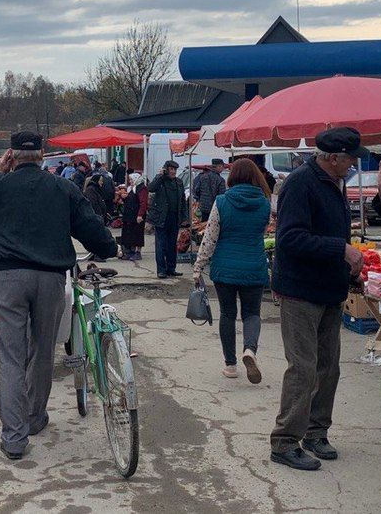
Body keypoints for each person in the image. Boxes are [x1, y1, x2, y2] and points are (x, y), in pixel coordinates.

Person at [0, 131, 117, 460]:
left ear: (12, 156)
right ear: (43, 155)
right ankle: (34, 418)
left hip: (8, 279)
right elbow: (91, 230)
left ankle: (15, 439)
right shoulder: (63, 187)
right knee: (43, 352)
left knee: (12, 358)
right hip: (50, 279)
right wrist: (110, 247)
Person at [269, 127, 366, 472]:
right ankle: (284, 441)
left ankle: (315, 431)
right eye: (351, 158)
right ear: (333, 157)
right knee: (304, 367)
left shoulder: (334, 184)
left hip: (328, 289)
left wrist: (349, 265)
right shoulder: (300, 183)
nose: (354, 163)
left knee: (329, 366)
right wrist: (339, 249)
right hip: (300, 290)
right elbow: (291, 239)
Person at [193, 159, 271, 383]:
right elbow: (262, 231)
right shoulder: (265, 203)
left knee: (227, 314)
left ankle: (230, 365)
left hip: (224, 268)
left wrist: (199, 266)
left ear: (232, 176)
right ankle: (250, 350)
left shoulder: (222, 201)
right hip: (254, 266)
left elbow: (210, 237)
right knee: (252, 313)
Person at [146, 160, 189, 279]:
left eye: (175, 169)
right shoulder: (160, 181)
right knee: (161, 245)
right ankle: (161, 270)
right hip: (161, 217)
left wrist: (185, 217)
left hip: (174, 217)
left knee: (172, 244)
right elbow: (151, 188)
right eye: (171, 169)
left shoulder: (179, 182)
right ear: (166, 169)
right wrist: (160, 175)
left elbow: (183, 201)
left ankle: (171, 268)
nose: (174, 171)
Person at [119, 172, 149, 260]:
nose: (130, 181)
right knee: (130, 233)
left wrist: (140, 215)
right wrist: (124, 198)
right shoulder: (130, 188)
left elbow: (143, 203)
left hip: (137, 215)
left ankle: (138, 252)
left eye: (131, 179)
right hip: (129, 216)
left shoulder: (142, 189)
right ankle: (130, 252)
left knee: (138, 234)